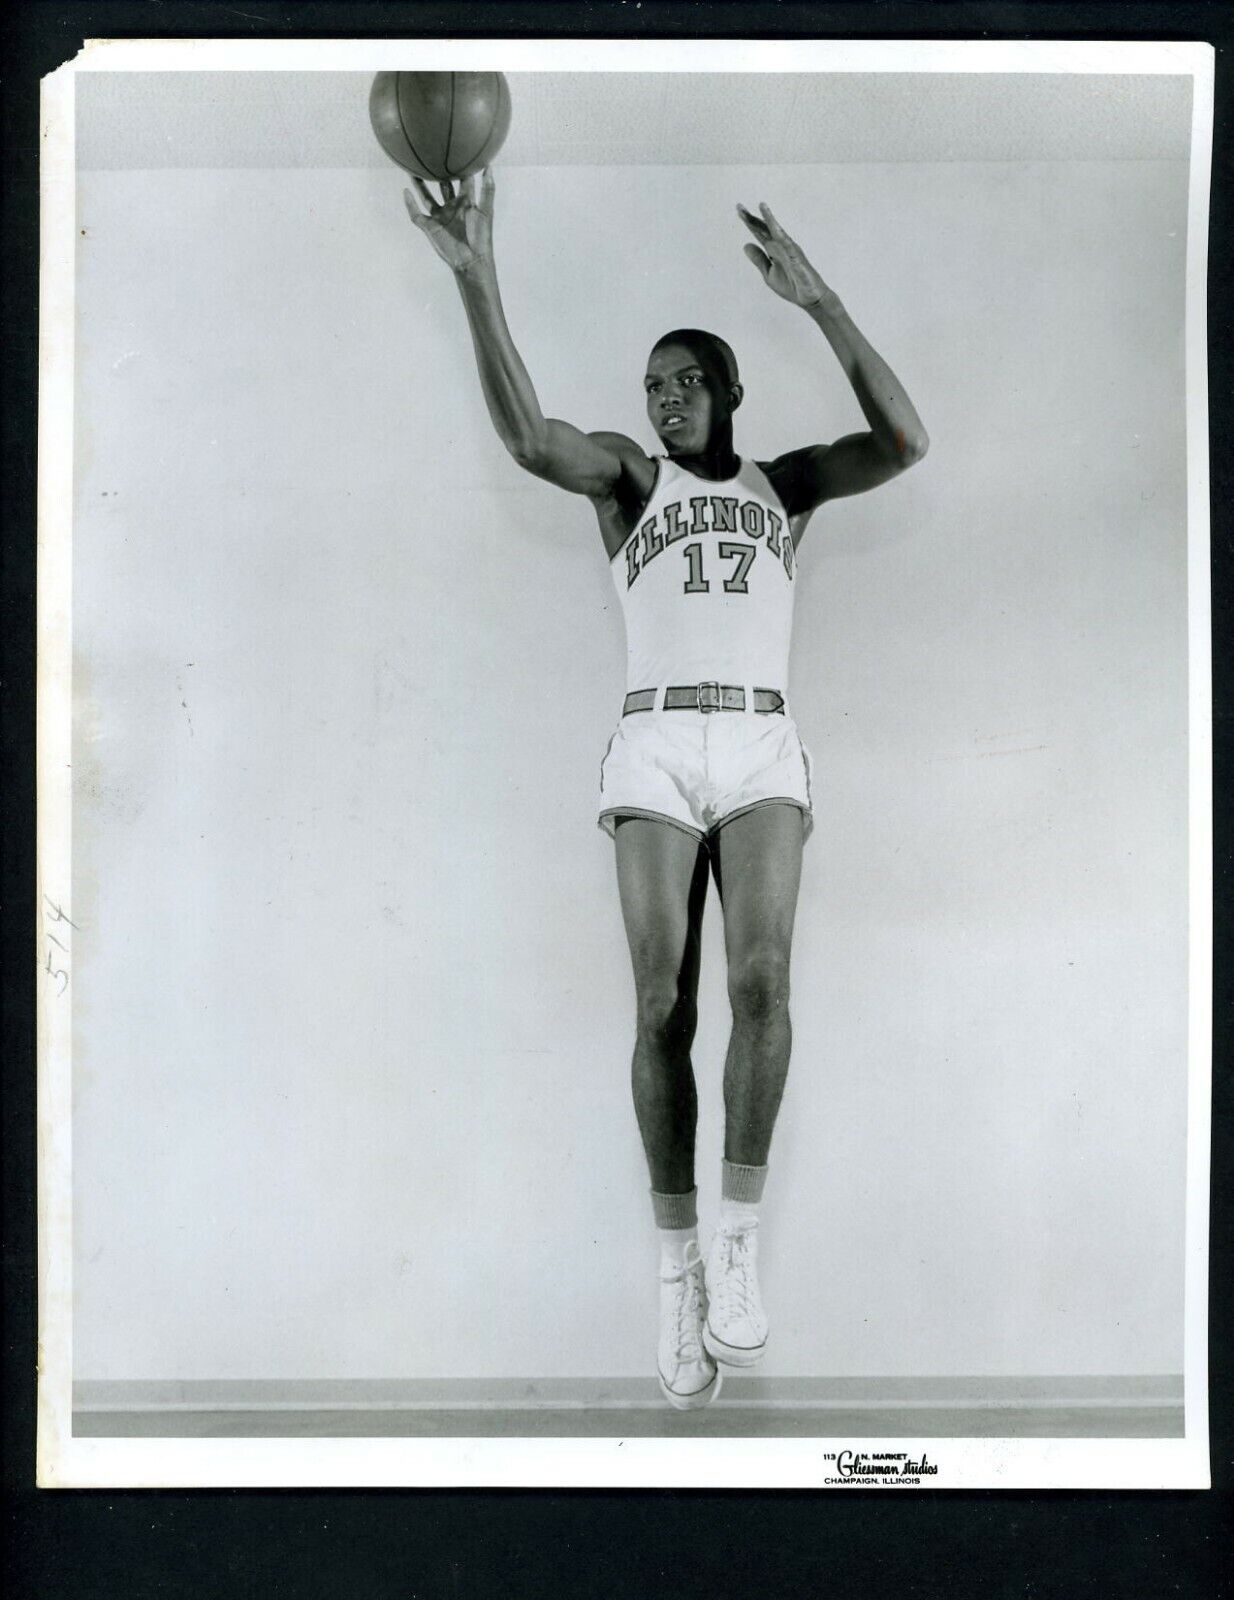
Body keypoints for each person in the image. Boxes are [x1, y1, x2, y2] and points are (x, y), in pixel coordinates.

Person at [404, 168, 928, 1410]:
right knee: (658, 1006)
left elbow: (905, 441)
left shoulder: (778, 488)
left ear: (729, 390)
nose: (664, 399)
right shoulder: (632, 483)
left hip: (758, 750)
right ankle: (675, 1268)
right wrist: (477, 278)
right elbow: (532, 439)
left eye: (685, 380)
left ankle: (738, 1241)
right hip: (651, 748)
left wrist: (822, 300)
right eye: (651, 388)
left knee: (761, 982)